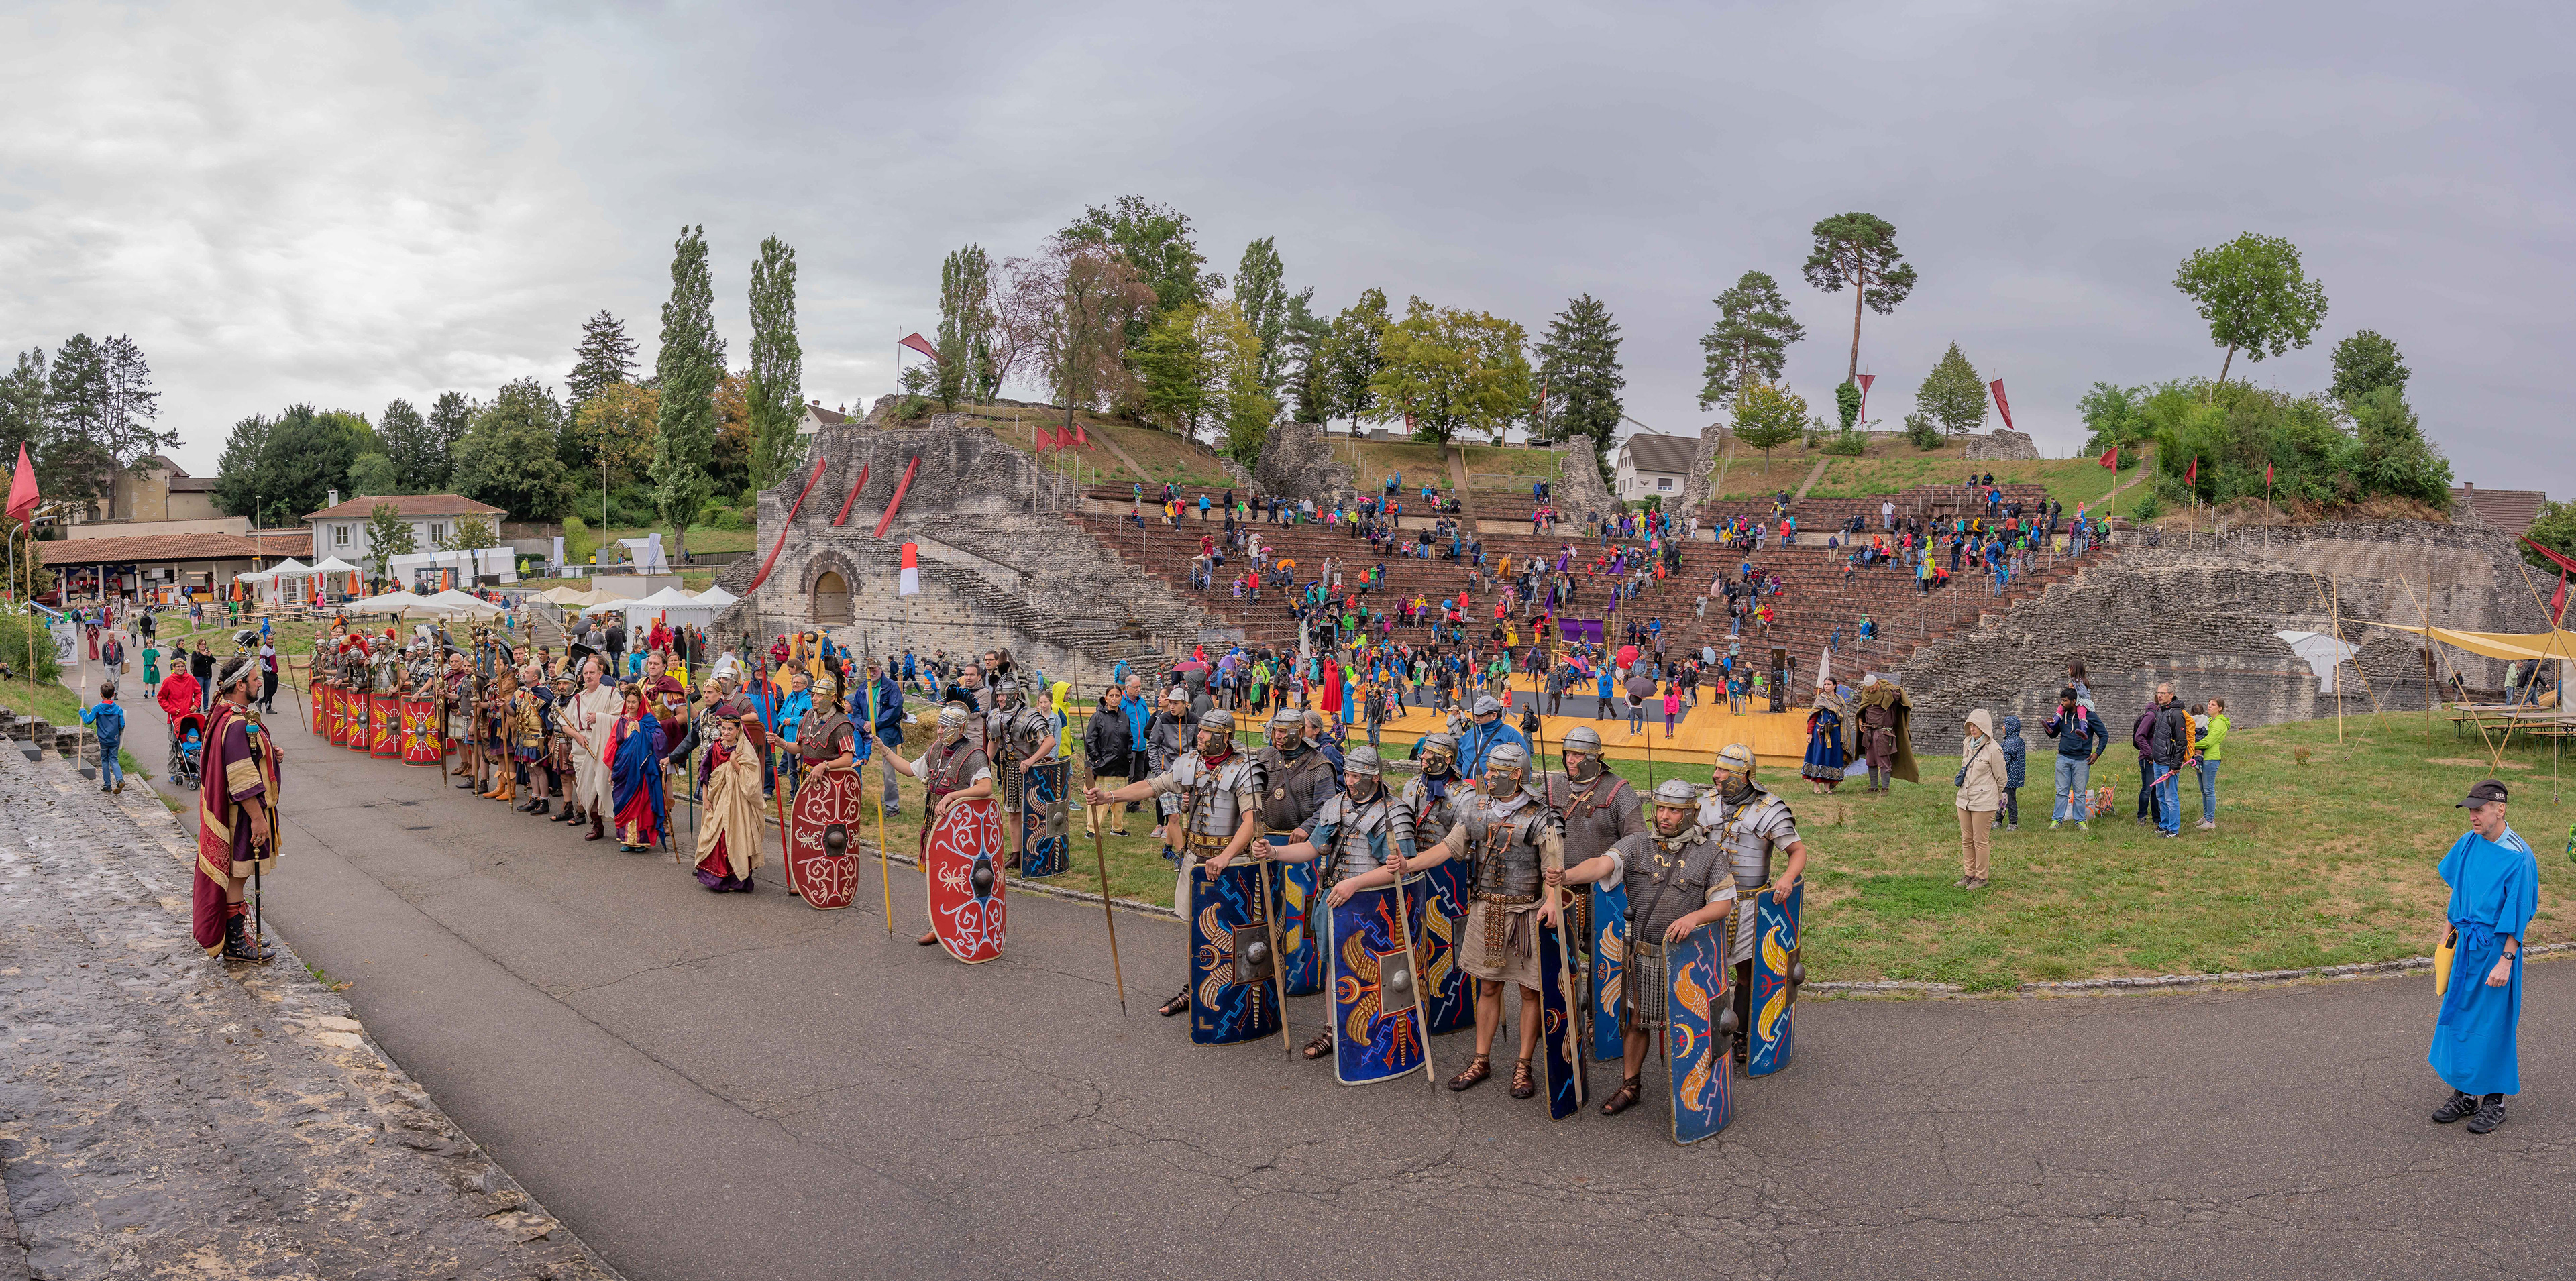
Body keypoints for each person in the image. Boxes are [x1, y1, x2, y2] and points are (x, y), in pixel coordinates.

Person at [1551, 777, 1739, 1115]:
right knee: (1637, 1020)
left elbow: (1724, 903)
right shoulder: (1637, 845)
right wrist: (1566, 875)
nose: (1664, 816)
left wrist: (1694, 918)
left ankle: (1696, 1090)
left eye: (1674, 810)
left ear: (1691, 813)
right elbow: (1601, 865)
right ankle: (1630, 1085)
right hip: (1645, 954)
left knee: (1694, 1022)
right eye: (1661, 808)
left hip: (1688, 958)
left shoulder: (1709, 855)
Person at [1085, 708, 1264, 1019]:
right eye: (1202, 730)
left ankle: (1237, 995)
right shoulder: (1192, 762)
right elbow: (1152, 786)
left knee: (1234, 933)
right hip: (1196, 860)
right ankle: (1195, 989)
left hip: (1232, 864)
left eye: (1207, 732)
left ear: (1225, 737)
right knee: (1196, 929)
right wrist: (1109, 797)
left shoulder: (1245, 768)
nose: (1201, 735)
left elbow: (1251, 822)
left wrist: (1225, 857)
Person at [1405, 743, 1562, 1099]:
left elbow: (1554, 868)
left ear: (1516, 776)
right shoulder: (1477, 809)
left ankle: (1523, 1066)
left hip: (1525, 914)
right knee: (1488, 986)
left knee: (1528, 991)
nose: (1486, 776)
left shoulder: (1543, 816)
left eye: (1494, 772)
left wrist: (1551, 901)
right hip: (1486, 910)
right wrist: (1410, 865)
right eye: (1487, 770)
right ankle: (1482, 1060)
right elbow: (1449, 847)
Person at [1264, 745, 1418, 1060]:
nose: (1349, 780)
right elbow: (1312, 849)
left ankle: (1377, 1030)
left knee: (1376, 972)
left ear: (1375, 778)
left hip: (1375, 908)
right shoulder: (1336, 806)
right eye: (1347, 773)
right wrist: (1274, 853)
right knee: (1334, 967)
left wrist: (1356, 883)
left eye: (1356, 775)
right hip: (1335, 900)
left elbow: (1401, 870)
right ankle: (1334, 1030)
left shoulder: (1395, 814)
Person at [2426, 780, 2539, 1135]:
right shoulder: (2468, 843)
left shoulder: (2519, 856)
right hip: (2464, 947)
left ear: (2500, 809)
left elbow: (2519, 914)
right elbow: (2458, 890)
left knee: (2492, 1024)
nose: (2472, 816)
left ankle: (2494, 1101)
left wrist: (2506, 960)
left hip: (2495, 950)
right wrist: (2447, 933)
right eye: (2470, 809)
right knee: (2459, 1019)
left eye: (2479, 809)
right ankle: (2464, 1095)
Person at [1693, 742, 1806, 1059]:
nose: (1715, 776)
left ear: (1743, 776)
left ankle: (1741, 1034)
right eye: (1716, 768)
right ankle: (1708, 1030)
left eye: (1723, 771)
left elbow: (1798, 852)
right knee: (1706, 970)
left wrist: (1786, 880)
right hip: (1710, 901)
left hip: (1749, 904)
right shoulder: (1706, 805)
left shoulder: (1769, 808)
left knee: (1746, 972)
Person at [189, 651, 281, 964]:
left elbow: (242, 757)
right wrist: (258, 819)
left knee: (236, 878)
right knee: (238, 878)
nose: (259, 684)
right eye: (255, 680)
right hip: (244, 813)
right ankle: (236, 944)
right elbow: (240, 777)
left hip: (242, 811)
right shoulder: (237, 722)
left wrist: (270, 754)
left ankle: (238, 937)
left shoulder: (224, 713)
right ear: (241, 685)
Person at [888, 704, 997, 947]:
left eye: (944, 728)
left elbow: (985, 787)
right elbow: (909, 770)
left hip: (961, 829)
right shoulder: (937, 749)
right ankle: (938, 924)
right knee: (938, 876)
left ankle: (963, 925)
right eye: (938, 726)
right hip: (935, 821)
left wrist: (952, 797)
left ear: (959, 729)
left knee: (960, 877)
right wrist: (885, 751)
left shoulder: (973, 755)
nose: (938, 732)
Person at [987, 675, 1060, 872]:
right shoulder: (995, 716)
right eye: (999, 695)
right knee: (1013, 814)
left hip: (1033, 773)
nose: (1001, 699)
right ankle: (1017, 855)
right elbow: (994, 741)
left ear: (1016, 695)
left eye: (1005, 696)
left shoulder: (1029, 716)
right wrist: (986, 762)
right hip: (1010, 770)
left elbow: (1049, 742)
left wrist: (1031, 760)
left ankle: (1039, 853)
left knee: (1036, 815)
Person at [562, 657, 621, 842]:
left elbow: (622, 718)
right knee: (586, 789)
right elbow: (565, 724)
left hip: (604, 745)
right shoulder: (578, 698)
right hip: (583, 747)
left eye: (592, 673)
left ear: (600, 674)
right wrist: (577, 736)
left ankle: (620, 825)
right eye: (585, 673)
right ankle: (597, 823)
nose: (588, 676)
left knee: (606, 786)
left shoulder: (611, 693)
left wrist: (600, 717)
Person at [605, 685, 666, 852]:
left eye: (634, 702)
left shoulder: (648, 720)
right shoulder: (621, 721)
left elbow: (661, 740)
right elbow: (613, 746)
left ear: (640, 702)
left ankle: (641, 840)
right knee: (623, 802)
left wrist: (644, 732)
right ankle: (626, 840)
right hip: (623, 769)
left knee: (642, 803)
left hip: (642, 769)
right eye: (628, 702)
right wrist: (612, 770)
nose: (631, 705)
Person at [1953, 710, 2008, 889]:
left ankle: (1982, 877)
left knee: (1980, 839)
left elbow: (2002, 778)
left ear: (1985, 726)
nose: (1973, 728)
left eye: (1976, 725)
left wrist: (1993, 797)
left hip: (1984, 801)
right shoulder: (1966, 743)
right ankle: (1969, 874)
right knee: (1966, 839)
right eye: (1970, 725)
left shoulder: (1994, 749)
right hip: (1964, 799)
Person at [2042, 686, 2108, 830]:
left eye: (2064, 701)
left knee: (2079, 794)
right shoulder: (2063, 715)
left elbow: (2104, 735)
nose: (2062, 703)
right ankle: (2057, 820)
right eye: (2062, 700)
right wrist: (2048, 727)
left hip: (2082, 761)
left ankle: (2080, 821)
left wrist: (2097, 753)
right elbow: (2053, 735)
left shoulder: (2089, 716)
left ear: (2073, 701)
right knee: (2061, 792)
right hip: (2063, 758)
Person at [1853, 675, 1914, 793]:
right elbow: (1863, 709)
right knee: (1870, 761)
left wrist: (1890, 690)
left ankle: (1885, 788)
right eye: (1868, 688)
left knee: (1885, 762)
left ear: (1877, 683)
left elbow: (1899, 696)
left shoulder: (1887, 693)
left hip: (1884, 733)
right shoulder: (1867, 694)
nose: (1870, 690)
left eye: (1872, 687)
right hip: (1869, 732)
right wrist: (1860, 719)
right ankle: (1873, 787)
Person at [2146, 683, 2189, 838]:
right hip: (2158, 762)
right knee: (2161, 796)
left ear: (2171, 695)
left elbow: (2181, 741)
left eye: (2163, 693)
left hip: (2169, 764)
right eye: (2158, 693)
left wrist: (2176, 764)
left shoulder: (2176, 714)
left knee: (2171, 797)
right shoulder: (2161, 711)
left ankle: (2173, 830)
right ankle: (2164, 825)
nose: (2160, 696)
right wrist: (2154, 756)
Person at [1455, 693, 1528, 778]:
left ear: (1494, 715)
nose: (1476, 718)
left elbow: (1525, 769)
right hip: (1467, 789)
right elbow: (1458, 765)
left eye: (1480, 715)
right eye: (1475, 714)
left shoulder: (1511, 735)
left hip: (1496, 790)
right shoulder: (1468, 735)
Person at [1803, 681, 1854, 793]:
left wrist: (1843, 736)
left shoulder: (1840, 701)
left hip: (1835, 734)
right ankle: (1816, 787)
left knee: (1830, 758)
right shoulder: (1821, 699)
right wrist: (1809, 734)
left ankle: (1827, 788)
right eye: (1825, 684)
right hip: (1820, 734)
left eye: (1829, 684)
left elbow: (1844, 720)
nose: (1826, 686)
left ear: (1834, 686)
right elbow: (1813, 717)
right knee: (1818, 757)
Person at [82, 681, 126, 794]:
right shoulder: (118, 709)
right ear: (113, 694)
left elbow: (87, 720)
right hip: (115, 739)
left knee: (105, 760)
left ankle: (107, 785)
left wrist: (82, 712)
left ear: (101, 695)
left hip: (103, 739)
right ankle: (120, 779)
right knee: (114, 760)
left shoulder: (98, 708)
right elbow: (122, 725)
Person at [2193, 697, 2229, 830]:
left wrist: (2191, 746)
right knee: (2203, 790)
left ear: (2220, 708)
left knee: (2209, 790)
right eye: (2208, 704)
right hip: (2202, 757)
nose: (2210, 706)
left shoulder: (2220, 723)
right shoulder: (2209, 720)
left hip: (2211, 758)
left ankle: (2210, 821)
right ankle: (2206, 815)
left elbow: (2209, 741)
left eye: (2213, 704)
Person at [1994, 714, 2026, 831]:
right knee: (2003, 799)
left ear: (2010, 727)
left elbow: (2005, 759)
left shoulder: (2012, 742)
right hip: (2011, 776)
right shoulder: (2017, 741)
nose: (2003, 727)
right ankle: (1999, 820)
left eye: (2005, 725)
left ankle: (2013, 822)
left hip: (2009, 776)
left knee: (2009, 800)